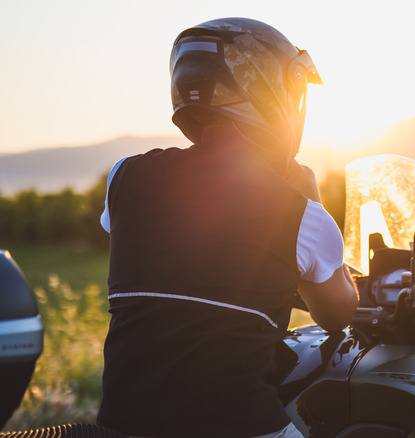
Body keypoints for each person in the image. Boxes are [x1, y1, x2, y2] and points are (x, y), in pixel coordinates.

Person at [97, 18, 358, 438]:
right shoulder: (298, 211)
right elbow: (337, 313)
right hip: (240, 427)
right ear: (274, 95)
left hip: (121, 426)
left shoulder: (123, 177)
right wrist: (311, 200)